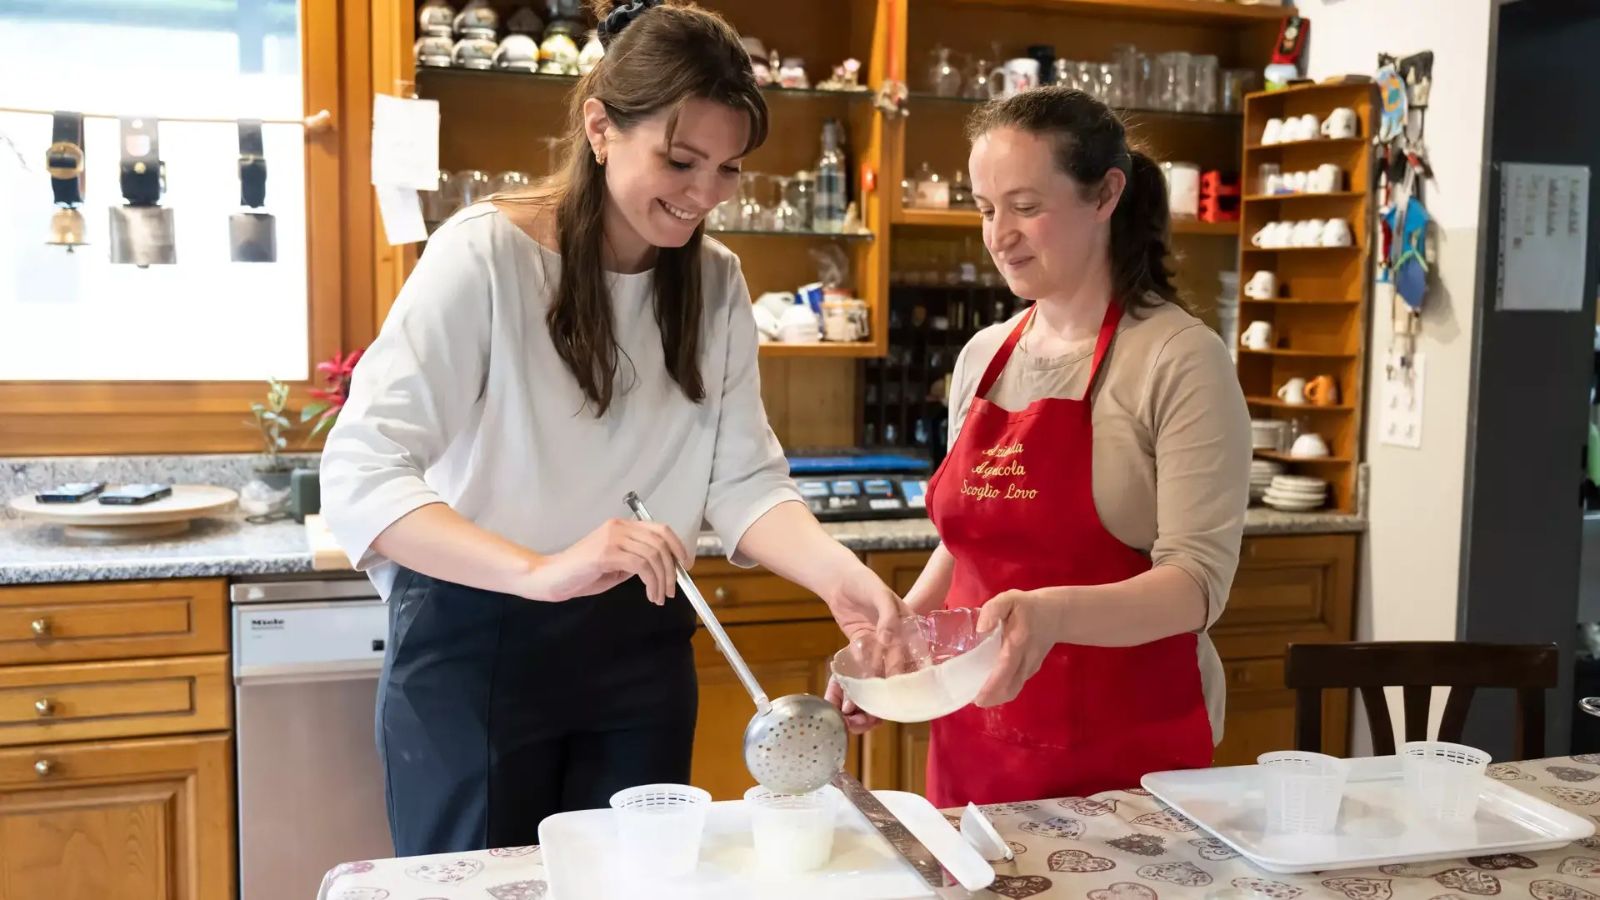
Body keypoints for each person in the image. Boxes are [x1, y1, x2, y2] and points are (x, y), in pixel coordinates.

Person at [319, 0, 904, 855]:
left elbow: (741, 480)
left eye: (730, 169)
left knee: (638, 880)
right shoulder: (485, 254)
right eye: (680, 160)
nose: (705, 195)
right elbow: (363, 471)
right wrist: (544, 571)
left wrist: (838, 576)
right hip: (476, 646)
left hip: (641, 646)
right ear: (599, 126)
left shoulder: (715, 283)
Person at [901, 85, 1251, 806]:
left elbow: (1196, 586)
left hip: (1124, 753)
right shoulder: (983, 355)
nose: (1000, 234)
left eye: (1026, 207)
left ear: (1105, 195)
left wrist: (1053, 615)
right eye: (986, 208)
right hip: (975, 735)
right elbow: (969, 539)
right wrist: (903, 634)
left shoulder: (1179, 358)